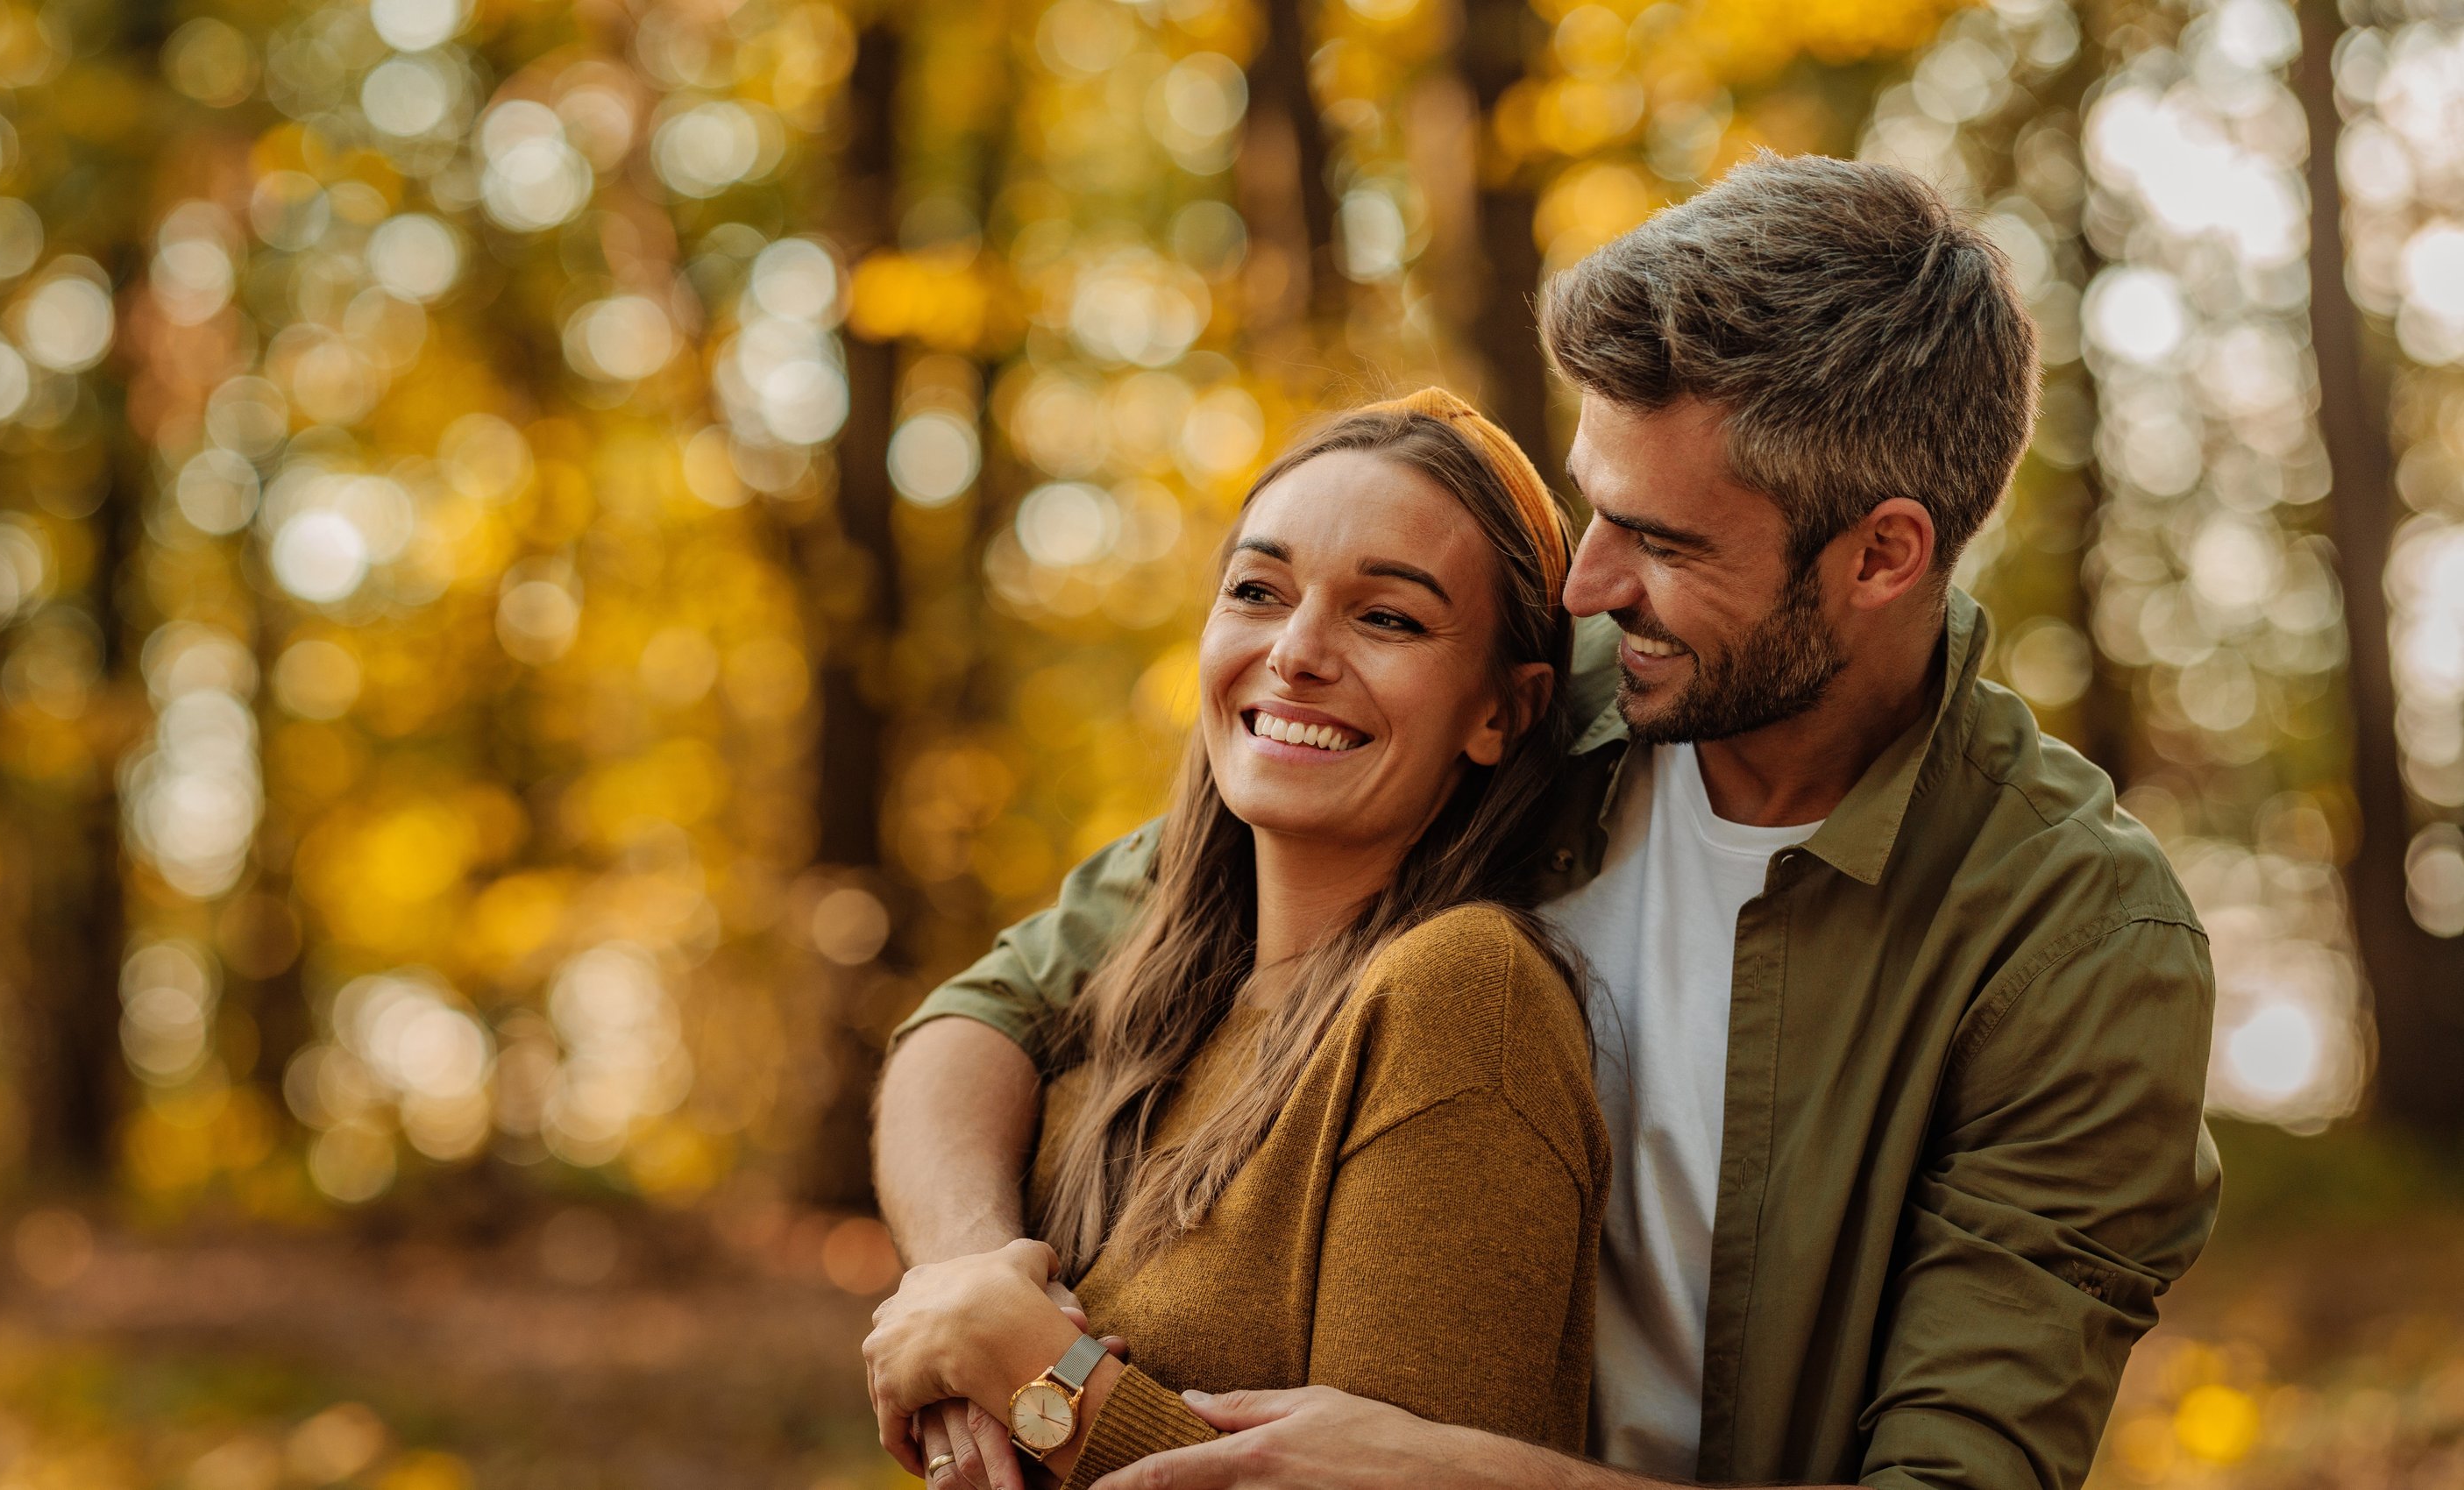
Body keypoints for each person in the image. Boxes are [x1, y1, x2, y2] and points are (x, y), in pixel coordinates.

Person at [874, 153, 2220, 1490]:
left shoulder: (2077, 946)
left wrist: (1463, 1480)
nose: (1586, 584)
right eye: (1594, 508)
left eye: (1665, 543)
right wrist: (969, 1284)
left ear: (1881, 555)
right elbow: (1000, 1007)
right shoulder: (1534, 708)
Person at [860, 392, 1608, 1490]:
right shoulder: (1137, 987)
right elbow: (960, 1027)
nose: (1296, 652)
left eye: (1388, 617)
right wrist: (968, 1281)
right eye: (1258, 591)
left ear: (1503, 709)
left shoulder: (1461, 998)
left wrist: (1033, 1375)